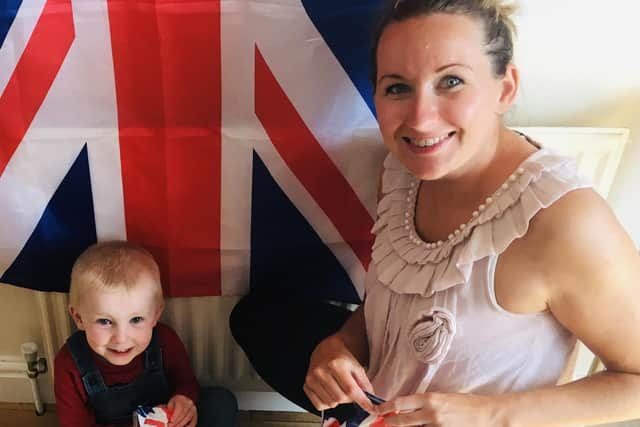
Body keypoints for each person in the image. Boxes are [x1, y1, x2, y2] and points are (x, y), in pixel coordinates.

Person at [235, 0, 640, 425]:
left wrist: (489, 414)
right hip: (383, 405)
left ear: (505, 88)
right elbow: (393, 298)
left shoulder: (564, 221)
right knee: (258, 317)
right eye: (397, 88)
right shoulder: (399, 169)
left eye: (451, 81)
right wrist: (343, 344)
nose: (421, 120)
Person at [54, 241, 238, 427]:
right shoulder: (69, 364)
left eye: (136, 320)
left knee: (221, 401)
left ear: (155, 314)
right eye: (105, 321)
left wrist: (184, 400)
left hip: (165, 421)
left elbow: (186, 382)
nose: (121, 338)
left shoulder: (165, 341)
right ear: (78, 318)